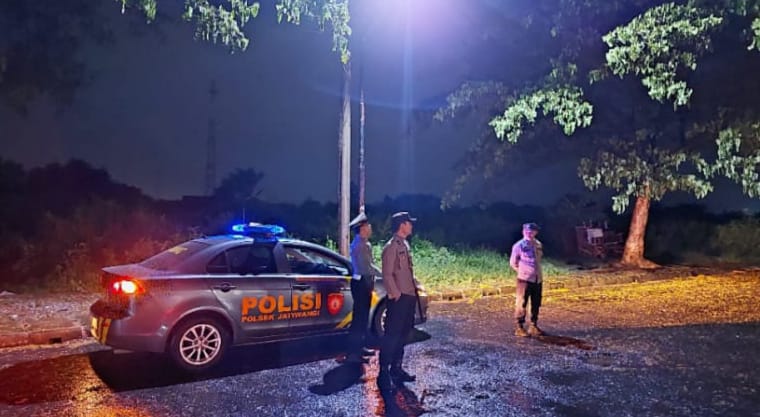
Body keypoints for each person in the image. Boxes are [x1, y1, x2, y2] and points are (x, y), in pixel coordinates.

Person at [377, 211, 418, 392]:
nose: (411, 225)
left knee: (403, 334)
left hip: (408, 297)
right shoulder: (391, 247)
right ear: (402, 225)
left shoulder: (405, 244)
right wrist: (396, 295)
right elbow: (387, 274)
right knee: (391, 335)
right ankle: (383, 371)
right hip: (399, 299)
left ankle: (397, 368)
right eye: (409, 223)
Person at [345, 211, 377, 364]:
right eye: (368, 226)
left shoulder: (358, 242)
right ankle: (354, 352)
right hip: (362, 282)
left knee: (361, 318)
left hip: (360, 282)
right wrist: (385, 275)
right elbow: (368, 267)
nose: (371, 228)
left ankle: (358, 348)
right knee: (360, 319)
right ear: (362, 228)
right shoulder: (362, 245)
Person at [509, 222, 545, 337]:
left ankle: (533, 325)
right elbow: (513, 263)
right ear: (523, 232)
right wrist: (523, 271)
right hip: (524, 279)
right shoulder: (519, 246)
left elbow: (538, 260)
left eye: (532, 231)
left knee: (536, 302)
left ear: (536, 232)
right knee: (521, 303)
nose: (529, 233)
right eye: (527, 231)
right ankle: (519, 327)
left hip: (537, 279)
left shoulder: (538, 244)